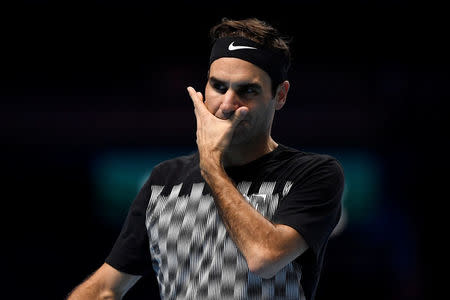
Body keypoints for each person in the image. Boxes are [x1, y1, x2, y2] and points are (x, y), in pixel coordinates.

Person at [67, 17, 344, 300]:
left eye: (247, 90)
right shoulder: (164, 181)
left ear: (280, 95)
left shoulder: (313, 173)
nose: (226, 105)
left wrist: (211, 164)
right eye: (218, 87)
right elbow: (104, 289)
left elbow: (265, 257)